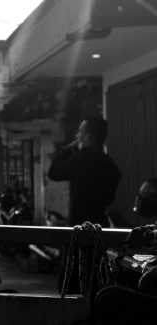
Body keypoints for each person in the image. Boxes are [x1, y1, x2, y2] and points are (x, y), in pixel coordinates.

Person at [48, 115, 121, 294]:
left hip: (78, 230)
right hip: (100, 229)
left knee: (70, 283)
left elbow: (54, 172)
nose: (77, 136)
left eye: (80, 132)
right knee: (98, 282)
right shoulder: (110, 165)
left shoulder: (81, 159)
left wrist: (66, 150)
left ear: (88, 137)